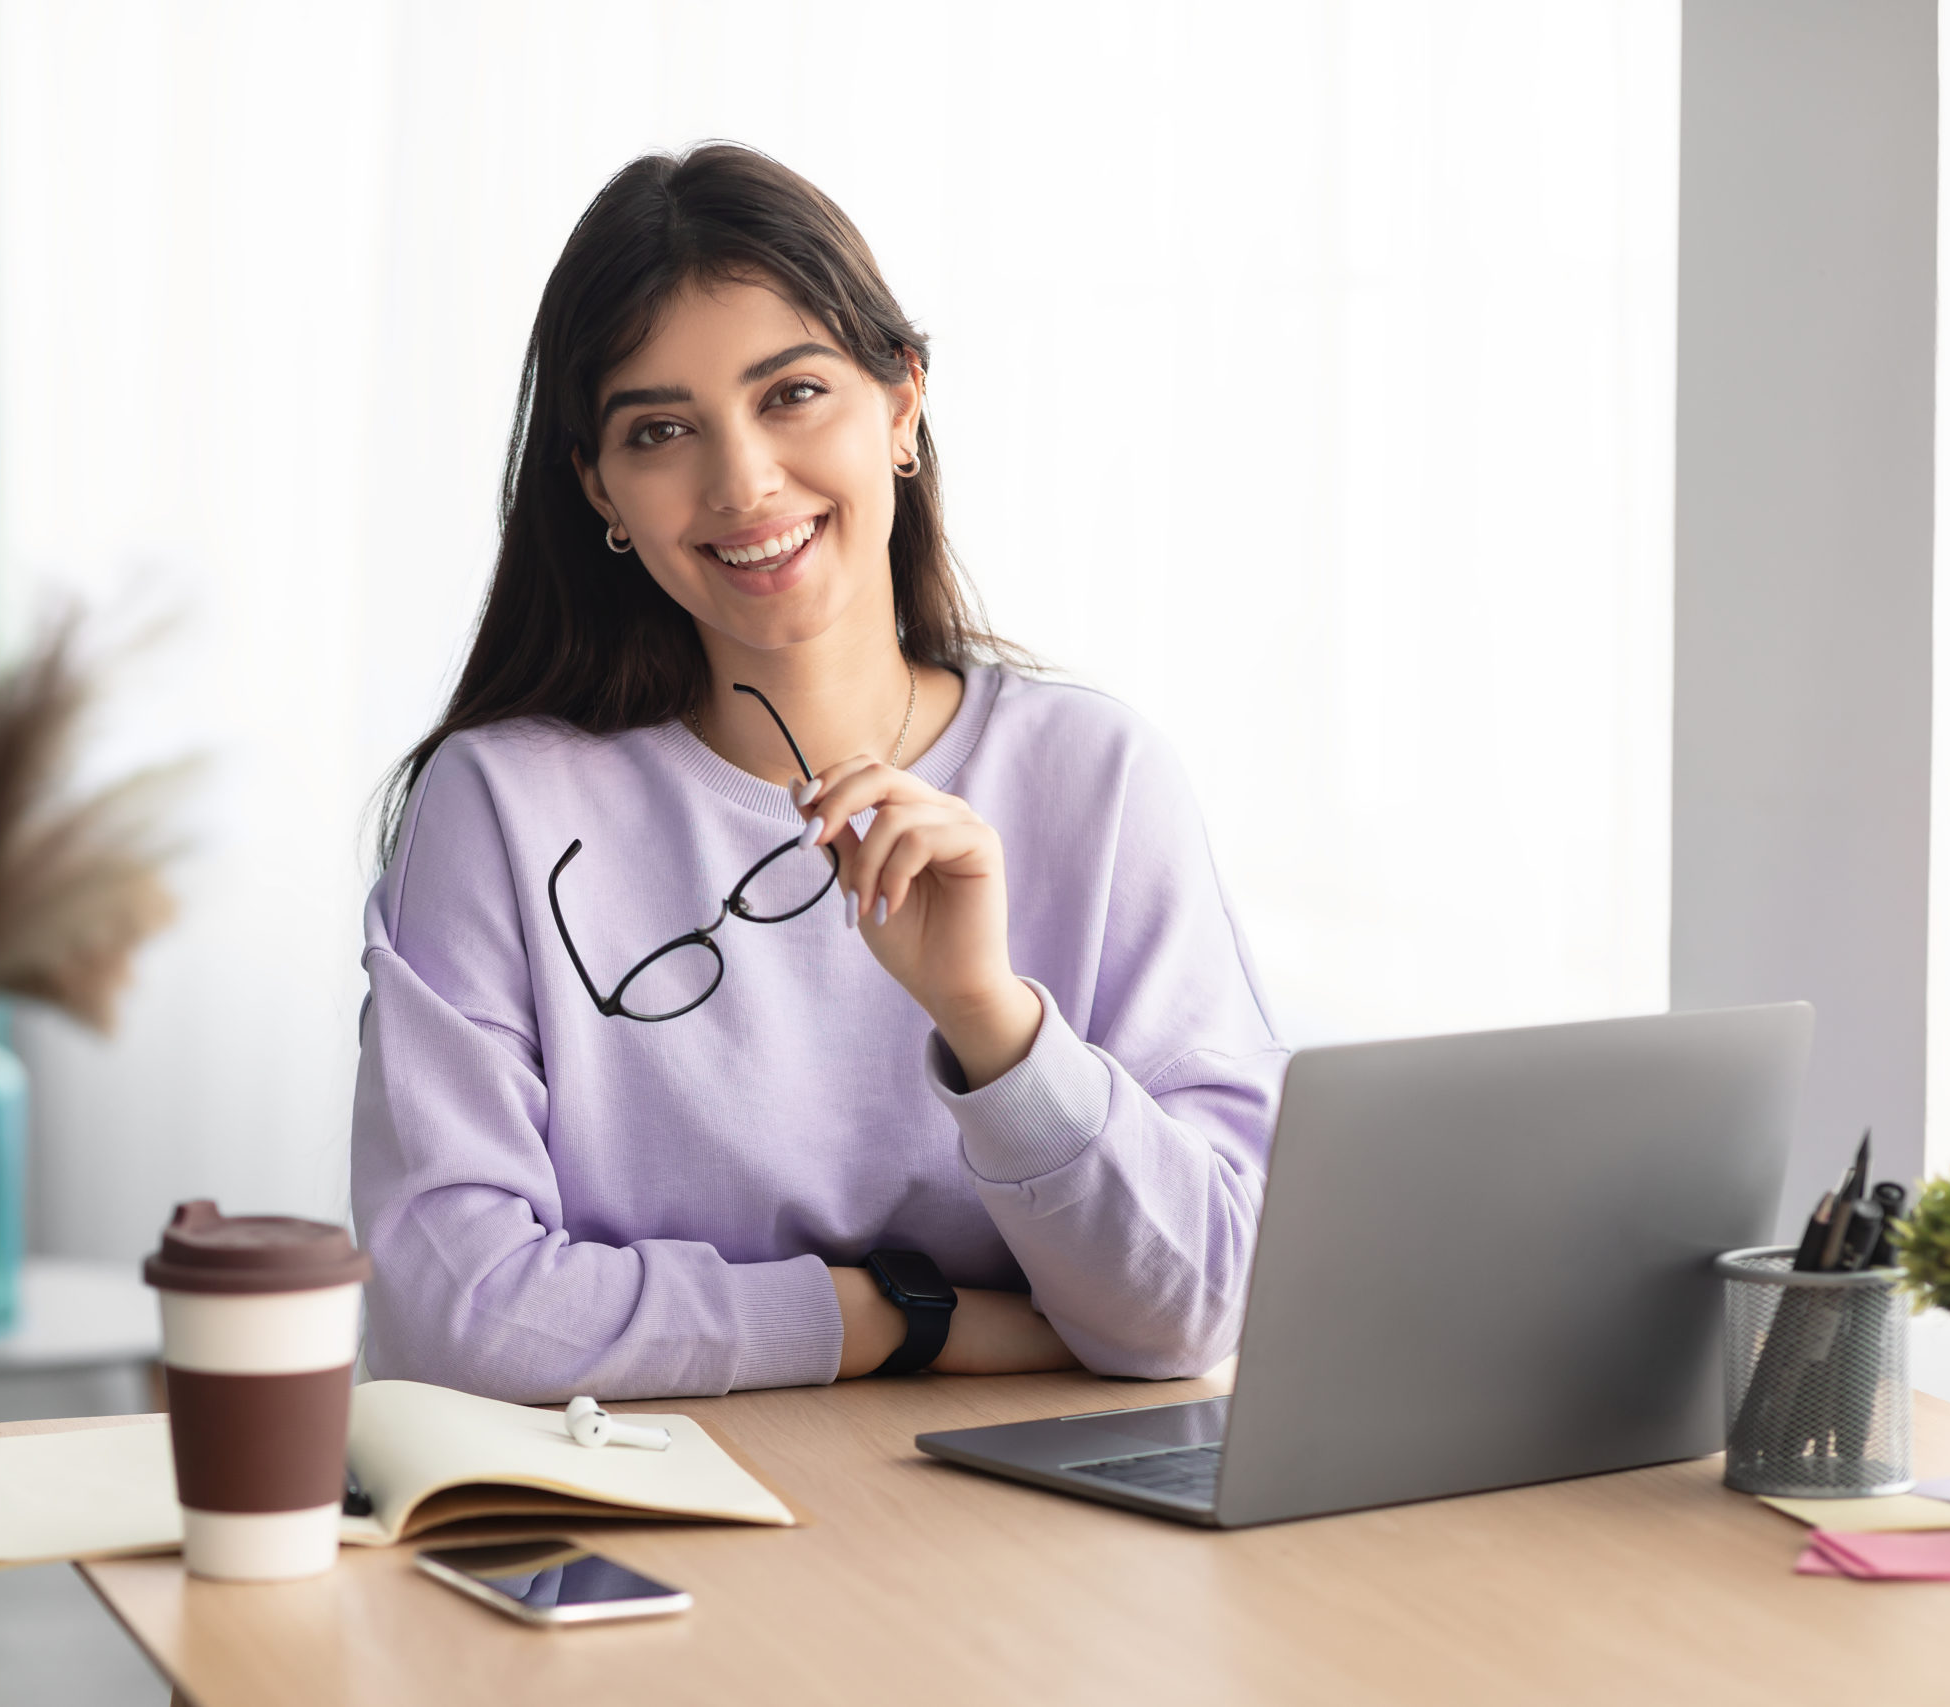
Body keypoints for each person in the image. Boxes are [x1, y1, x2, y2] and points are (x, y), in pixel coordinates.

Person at [351, 144, 1284, 1404]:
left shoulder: (1098, 778)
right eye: (661, 429)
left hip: (1030, 1558)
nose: (741, 483)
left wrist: (988, 1020)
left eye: (791, 394)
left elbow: (1195, 1307)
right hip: (656, 1538)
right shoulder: (501, 806)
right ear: (602, 491)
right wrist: (905, 1321)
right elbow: (457, 1316)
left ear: (900, 404)